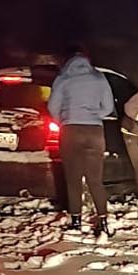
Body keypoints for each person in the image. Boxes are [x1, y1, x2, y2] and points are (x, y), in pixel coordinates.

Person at [47, 45, 115, 235]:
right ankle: (103, 221)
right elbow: (108, 107)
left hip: (71, 130)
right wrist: (94, 116)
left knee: (73, 180)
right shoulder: (99, 77)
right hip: (94, 131)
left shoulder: (63, 78)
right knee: (95, 179)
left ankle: (76, 221)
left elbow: (53, 107)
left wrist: (64, 119)